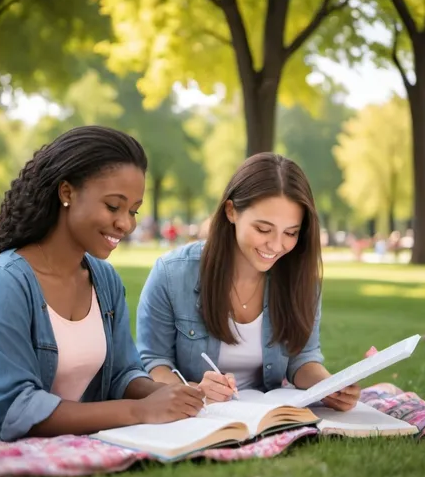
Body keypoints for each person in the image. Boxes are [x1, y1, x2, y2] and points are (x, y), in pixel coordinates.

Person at [0, 126, 203, 442]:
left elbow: (122, 373)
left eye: (133, 210)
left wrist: (168, 394)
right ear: (67, 193)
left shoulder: (104, 280)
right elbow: (11, 409)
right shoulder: (7, 282)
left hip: (78, 446)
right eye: (113, 206)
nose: (127, 224)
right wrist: (139, 411)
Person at [137, 153, 360, 410]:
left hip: (265, 414)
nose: (276, 245)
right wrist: (191, 391)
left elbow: (303, 360)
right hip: (196, 415)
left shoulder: (302, 280)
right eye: (263, 229)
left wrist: (331, 386)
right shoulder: (171, 274)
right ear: (231, 211)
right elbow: (154, 362)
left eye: (291, 233)